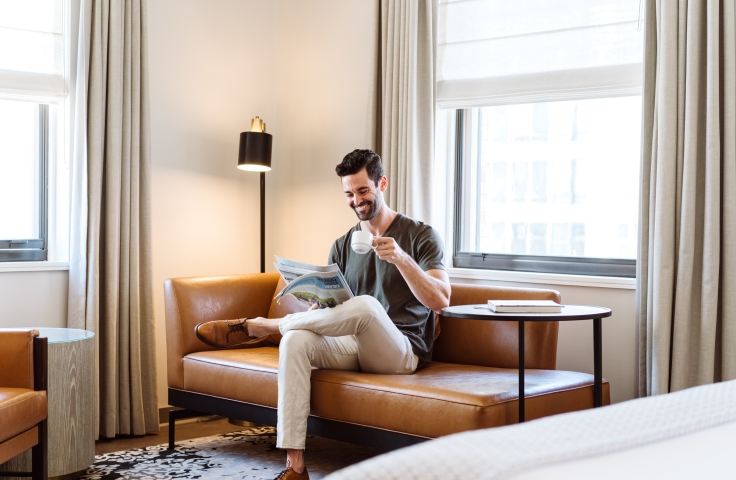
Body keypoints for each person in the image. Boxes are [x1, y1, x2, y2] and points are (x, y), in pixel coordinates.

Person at [195, 149, 450, 480]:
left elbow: (440, 300)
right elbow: (339, 306)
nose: (356, 200)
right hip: (351, 342)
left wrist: (401, 258)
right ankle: (295, 466)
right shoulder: (343, 245)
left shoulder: (420, 236)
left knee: (368, 305)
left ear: (381, 183)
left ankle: (264, 326)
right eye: (348, 193)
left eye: (363, 190)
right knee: (297, 340)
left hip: (401, 350)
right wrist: (317, 305)